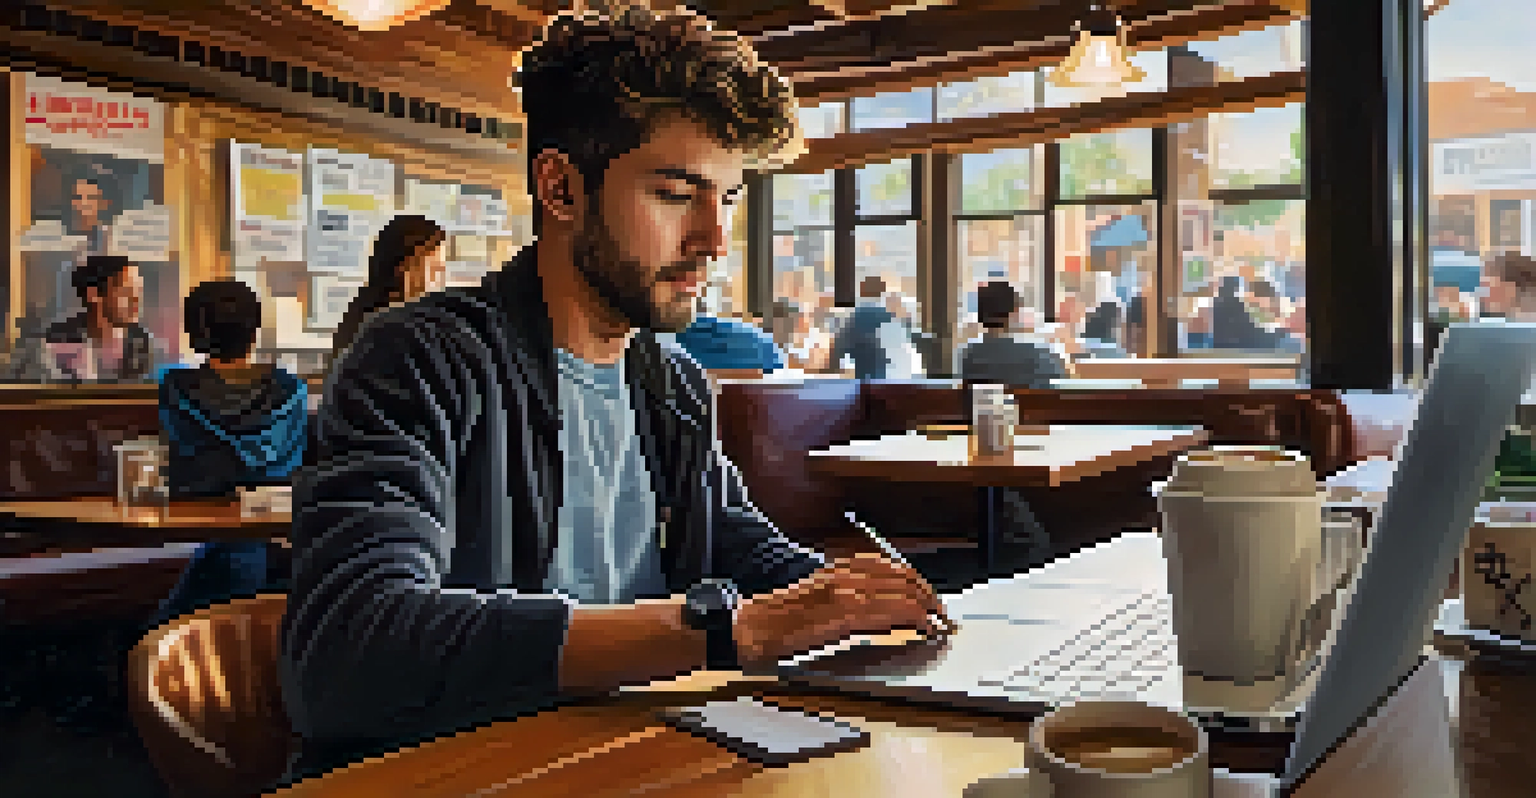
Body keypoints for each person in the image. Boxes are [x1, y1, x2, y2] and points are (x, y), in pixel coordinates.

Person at [279, 7, 949, 783]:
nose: (716, 239)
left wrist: (862, 603)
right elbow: (349, 652)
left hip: (631, 762)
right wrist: (727, 631)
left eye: (727, 199)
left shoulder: (672, 386)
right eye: (676, 193)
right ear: (561, 187)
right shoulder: (420, 358)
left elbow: (750, 553)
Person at [149, 281, 307, 628]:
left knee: (163, 625)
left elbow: (185, 469)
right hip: (280, 531)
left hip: (216, 530)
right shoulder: (291, 389)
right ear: (254, 331)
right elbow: (294, 467)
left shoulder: (176, 388)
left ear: (194, 333)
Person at [329, 214, 448, 362]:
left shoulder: (365, 312)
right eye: (436, 269)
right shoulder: (383, 326)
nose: (441, 280)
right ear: (405, 266)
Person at [22, 255, 158, 382]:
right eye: (125, 292)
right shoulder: (56, 343)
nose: (136, 300)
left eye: (138, 291)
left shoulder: (144, 345)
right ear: (93, 294)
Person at [958, 281, 1068, 389]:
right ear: (1013, 311)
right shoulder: (1037, 355)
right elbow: (1058, 382)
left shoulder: (969, 356)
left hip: (983, 407)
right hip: (1027, 406)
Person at [831, 276, 922, 378]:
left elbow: (840, 349)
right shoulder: (891, 319)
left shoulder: (853, 319)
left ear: (861, 291)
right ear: (882, 292)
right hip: (889, 378)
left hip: (863, 378)